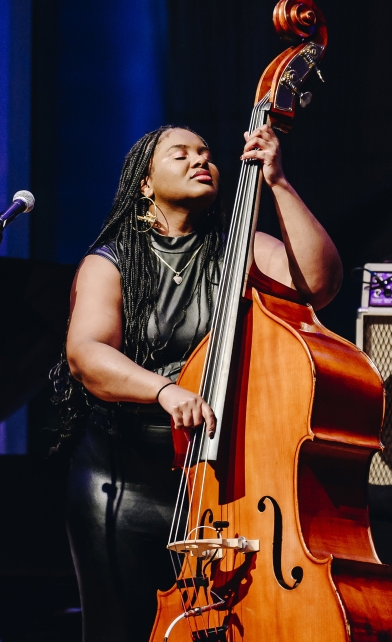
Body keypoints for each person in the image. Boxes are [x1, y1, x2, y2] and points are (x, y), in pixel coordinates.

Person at [50, 123, 341, 641]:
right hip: (126, 478)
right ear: (144, 183)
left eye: (206, 153)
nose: (199, 160)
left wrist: (277, 181)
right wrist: (165, 390)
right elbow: (86, 354)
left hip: (224, 479)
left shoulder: (240, 249)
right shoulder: (111, 260)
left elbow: (317, 286)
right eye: (179, 154)